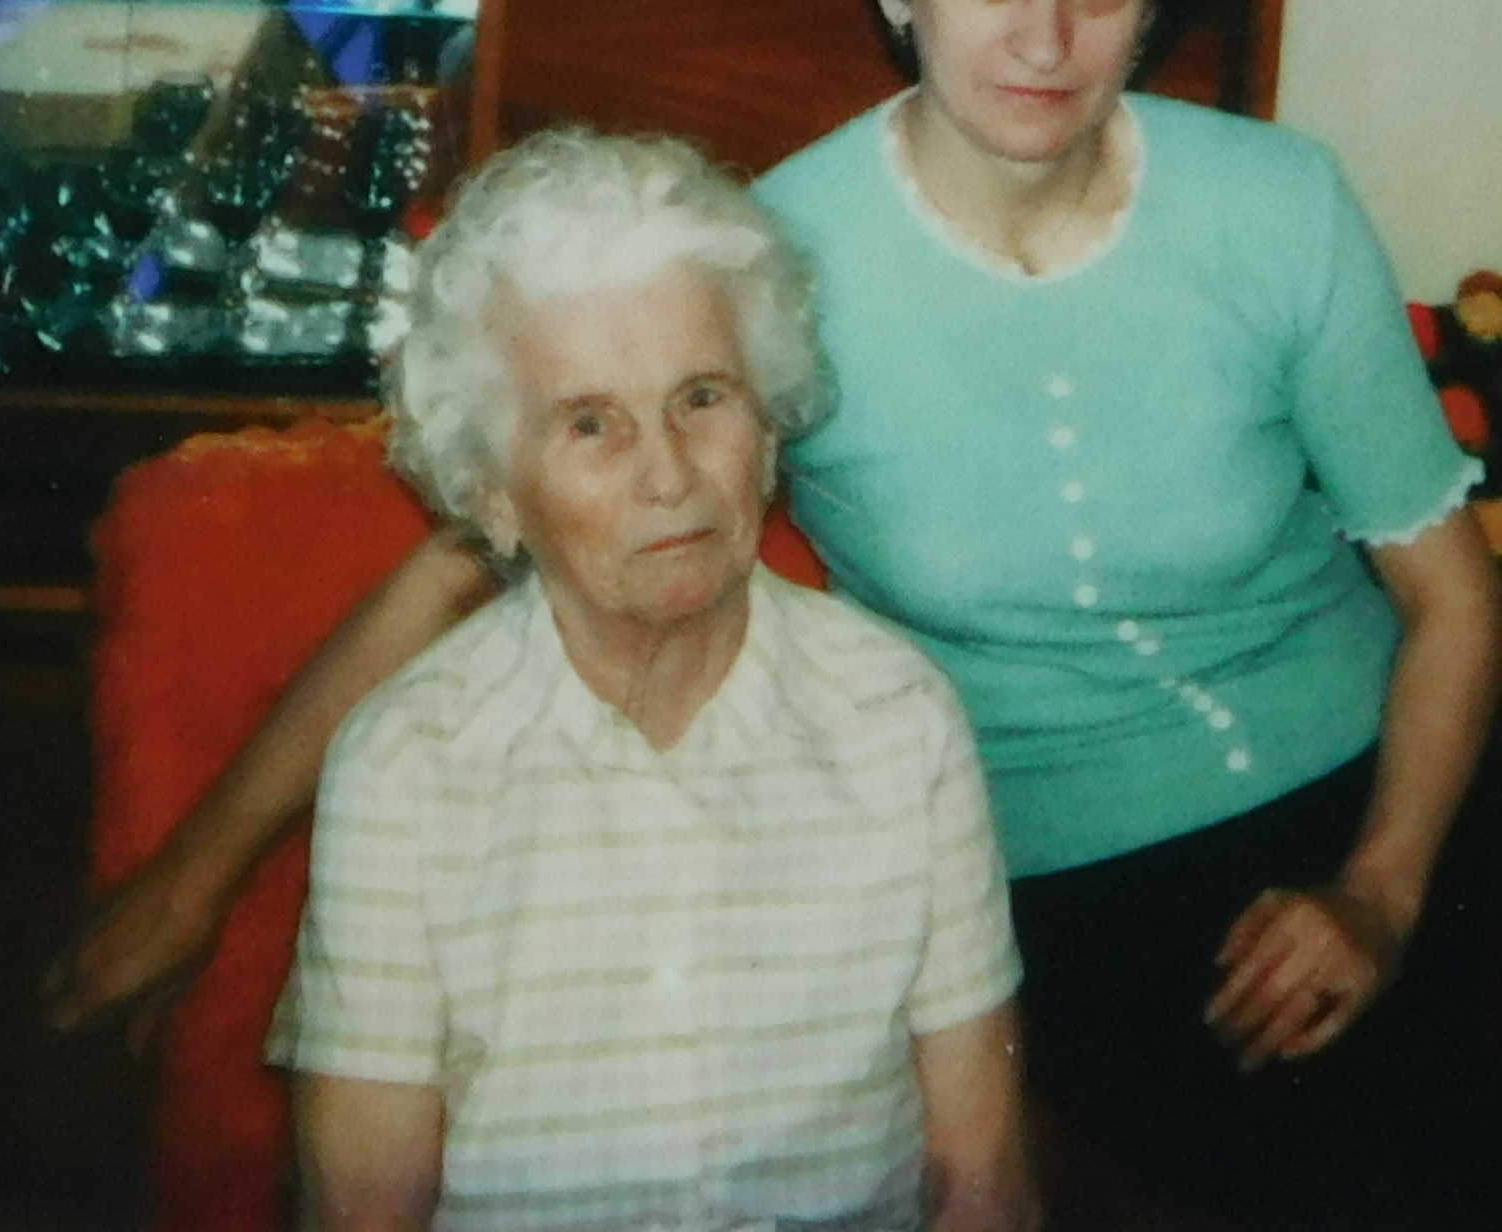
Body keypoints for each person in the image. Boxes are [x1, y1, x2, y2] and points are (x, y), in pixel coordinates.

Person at [53, 0, 1502, 1231]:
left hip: (1391, 806)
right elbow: (465, 555)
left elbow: (1451, 598)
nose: (1046, 37)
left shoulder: (1278, 205)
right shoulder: (779, 263)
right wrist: (196, 875)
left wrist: (1379, 892)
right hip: (1063, 888)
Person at [269, 124, 1034, 1232]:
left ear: (766, 430)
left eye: (702, 398)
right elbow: (361, 1213)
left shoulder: (899, 718)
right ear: (492, 495)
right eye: (592, 423)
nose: (668, 475)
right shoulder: (405, 769)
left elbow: (983, 1181)